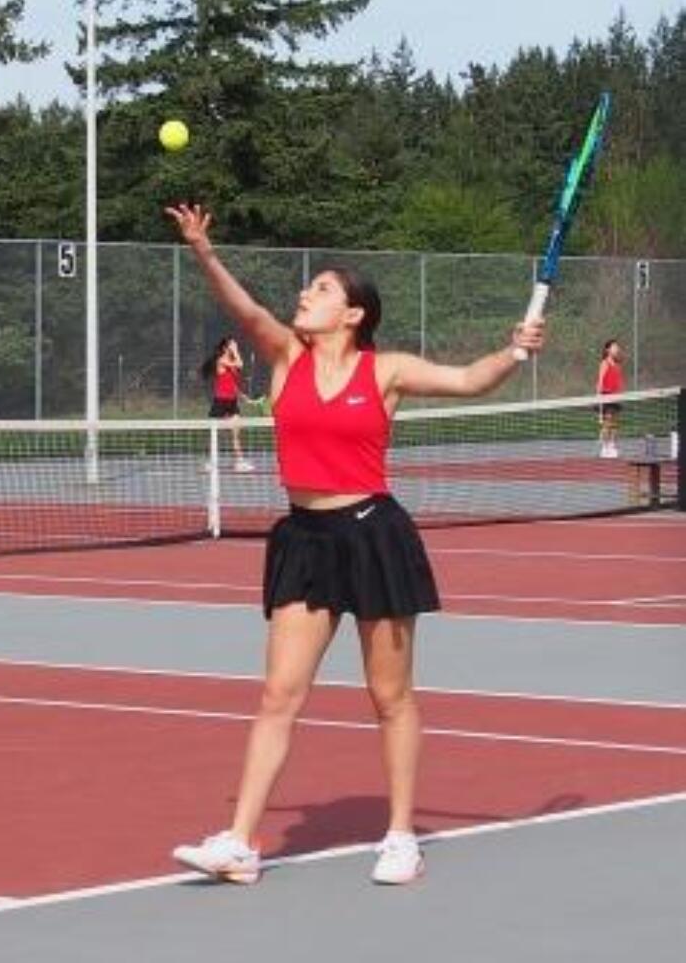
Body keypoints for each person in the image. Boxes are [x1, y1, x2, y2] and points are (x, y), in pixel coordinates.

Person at [164, 202, 545, 886]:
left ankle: (401, 836)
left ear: (353, 313)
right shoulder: (284, 357)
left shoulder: (385, 371)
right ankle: (241, 842)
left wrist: (516, 350)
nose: (305, 295)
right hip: (304, 540)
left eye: (323, 289)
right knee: (279, 692)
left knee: (388, 695)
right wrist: (203, 250)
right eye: (308, 288)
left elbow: (467, 379)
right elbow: (244, 308)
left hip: (373, 535)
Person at [201, 336, 255, 472]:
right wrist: (236, 351)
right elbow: (241, 364)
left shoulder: (231, 363)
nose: (235, 346)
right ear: (226, 347)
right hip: (220, 401)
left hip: (232, 402)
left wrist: (242, 396)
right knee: (216, 434)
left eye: (235, 345)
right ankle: (210, 462)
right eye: (232, 344)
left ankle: (239, 462)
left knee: (236, 432)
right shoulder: (222, 360)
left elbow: (231, 383)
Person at [596, 339, 624, 458]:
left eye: (617, 347)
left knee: (614, 423)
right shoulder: (604, 363)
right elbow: (600, 381)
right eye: (613, 347)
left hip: (616, 396)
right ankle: (604, 447)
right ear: (607, 350)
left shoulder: (618, 365)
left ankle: (612, 446)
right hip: (606, 396)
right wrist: (599, 399)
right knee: (607, 423)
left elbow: (618, 382)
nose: (616, 348)